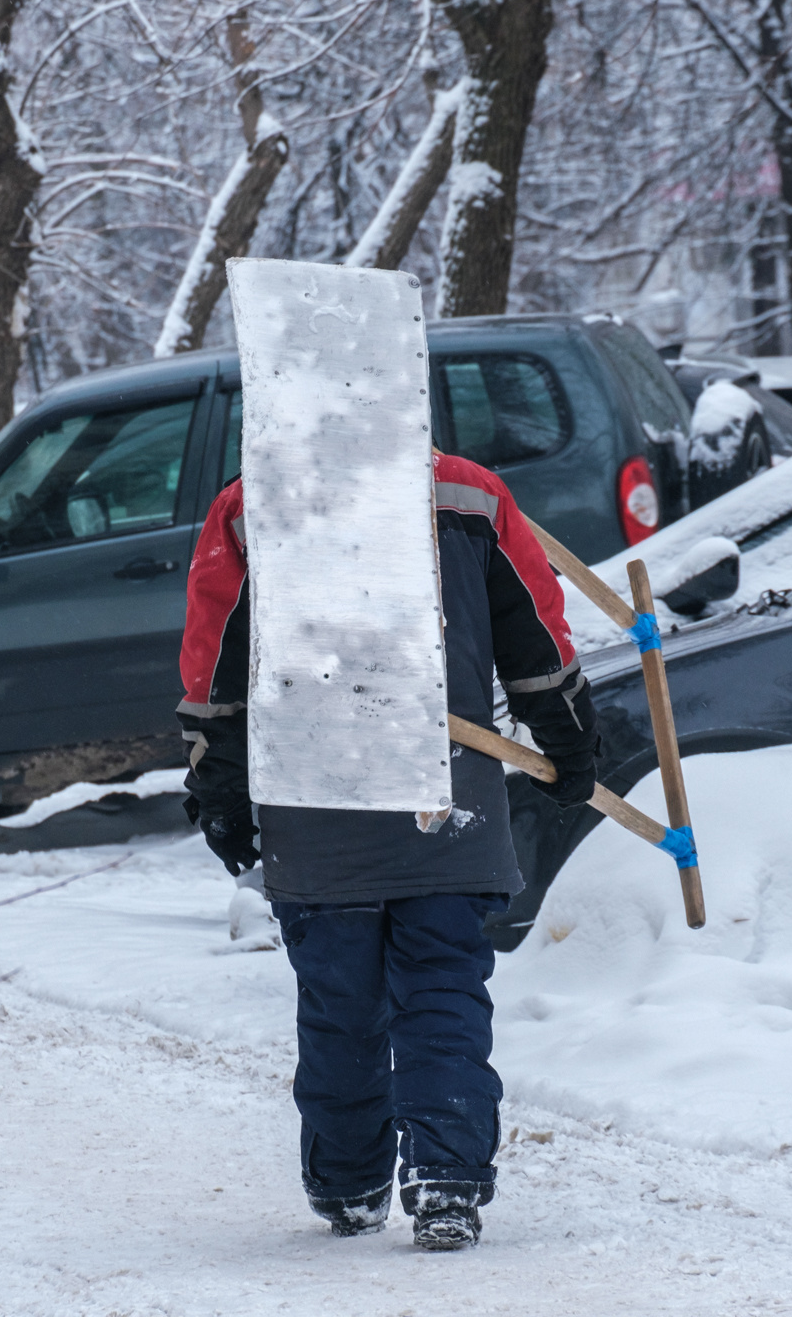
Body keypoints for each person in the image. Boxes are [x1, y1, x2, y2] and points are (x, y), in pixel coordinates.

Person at [176, 450, 599, 1251]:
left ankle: (348, 1184)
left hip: (315, 810)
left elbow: (214, 660)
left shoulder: (248, 505)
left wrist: (220, 791)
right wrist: (571, 742)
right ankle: (446, 1181)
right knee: (442, 998)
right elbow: (536, 630)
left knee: (340, 1009)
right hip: (446, 804)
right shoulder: (470, 492)